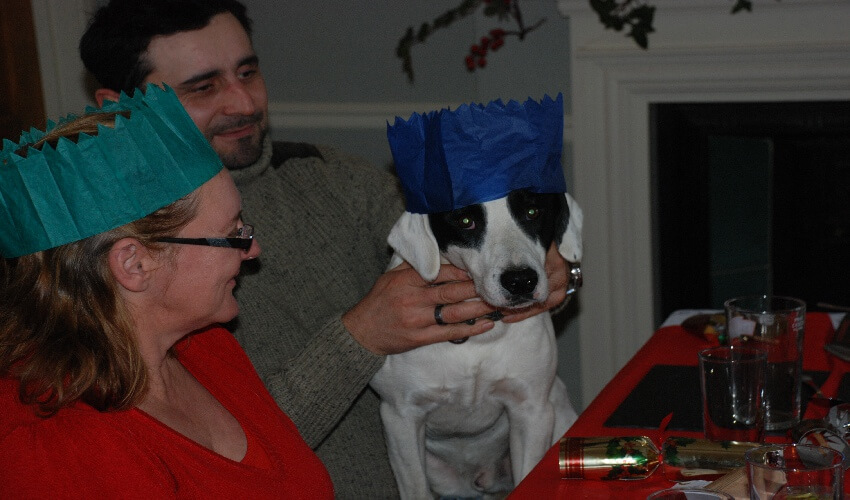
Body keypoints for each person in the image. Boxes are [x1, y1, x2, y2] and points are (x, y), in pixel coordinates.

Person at [79, 1, 575, 496]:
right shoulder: (126, 258)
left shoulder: (330, 175)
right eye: (204, 87)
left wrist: (556, 269)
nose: (244, 103)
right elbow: (223, 453)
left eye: (248, 72)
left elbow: (478, 248)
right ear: (117, 107)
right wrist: (359, 338)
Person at [0, 85, 333, 497]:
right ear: (134, 265)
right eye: (232, 234)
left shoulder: (209, 348)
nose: (254, 249)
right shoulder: (57, 445)